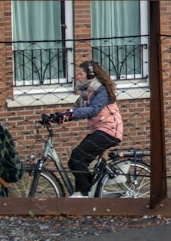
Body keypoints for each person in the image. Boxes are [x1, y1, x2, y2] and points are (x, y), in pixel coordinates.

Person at [52, 60, 123, 197]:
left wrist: (71, 113)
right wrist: (57, 116)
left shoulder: (101, 90)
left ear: (91, 74)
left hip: (110, 130)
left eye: (81, 73)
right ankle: (89, 190)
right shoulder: (88, 93)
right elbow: (79, 110)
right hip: (100, 129)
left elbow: (93, 110)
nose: (78, 77)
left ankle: (83, 194)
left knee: (78, 157)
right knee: (74, 161)